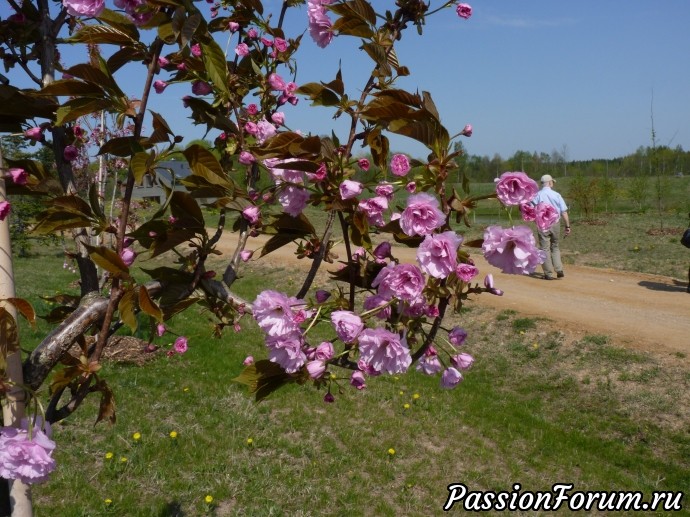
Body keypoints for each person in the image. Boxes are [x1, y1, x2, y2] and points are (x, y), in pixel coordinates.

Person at [533, 174, 571, 280]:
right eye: (552, 182)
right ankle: (559, 270)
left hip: (542, 224)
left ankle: (548, 273)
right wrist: (567, 226)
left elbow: (531, 209)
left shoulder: (537, 195)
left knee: (544, 248)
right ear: (550, 183)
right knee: (555, 246)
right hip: (555, 223)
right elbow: (564, 212)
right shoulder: (557, 195)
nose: (553, 183)